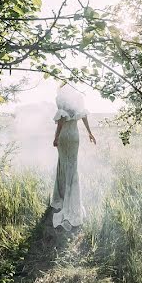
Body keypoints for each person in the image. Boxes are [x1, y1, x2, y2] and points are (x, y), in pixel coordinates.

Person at [50, 83, 96, 230]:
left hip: (65, 136)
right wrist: (89, 132)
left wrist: (56, 137)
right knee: (72, 167)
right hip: (75, 136)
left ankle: (64, 201)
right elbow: (83, 116)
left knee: (63, 165)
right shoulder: (78, 98)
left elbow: (61, 121)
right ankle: (70, 201)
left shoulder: (62, 98)